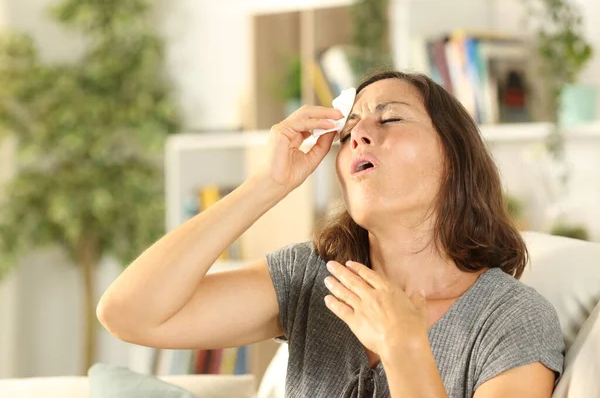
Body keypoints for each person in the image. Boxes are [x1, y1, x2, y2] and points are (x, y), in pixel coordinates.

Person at [97, 71, 565, 398]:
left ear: (454, 157)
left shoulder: (512, 320)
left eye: (390, 118)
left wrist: (403, 348)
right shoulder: (312, 279)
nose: (358, 134)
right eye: (348, 132)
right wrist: (268, 184)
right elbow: (129, 314)